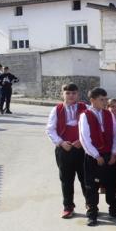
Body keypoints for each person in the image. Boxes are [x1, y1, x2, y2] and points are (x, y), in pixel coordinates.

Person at [78, 87, 116, 226]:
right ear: (92, 100)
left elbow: (115, 135)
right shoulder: (85, 115)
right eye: (101, 100)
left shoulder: (108, 114)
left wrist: (114, 153)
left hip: (109, 155)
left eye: (105, 99)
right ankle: (92, 212)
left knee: (111, 183)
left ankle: (114, 209)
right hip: (94, 156)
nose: (105, 102)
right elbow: (84, 138)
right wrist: (96, 155)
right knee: (92, 185)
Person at [45, 83, 88, 218]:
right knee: (66, 179)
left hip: (83, 149)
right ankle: (68, 206)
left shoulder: (85, 108)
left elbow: (91, 128)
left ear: (78, 94)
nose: (70, 96)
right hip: (64, 149)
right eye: (67, 93)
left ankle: (90, 204)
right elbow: (50, 129)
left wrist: (82, 141)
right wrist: (61, 142)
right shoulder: (56, 110)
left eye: (73, 93)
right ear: (62, 94)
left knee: (85, 178)